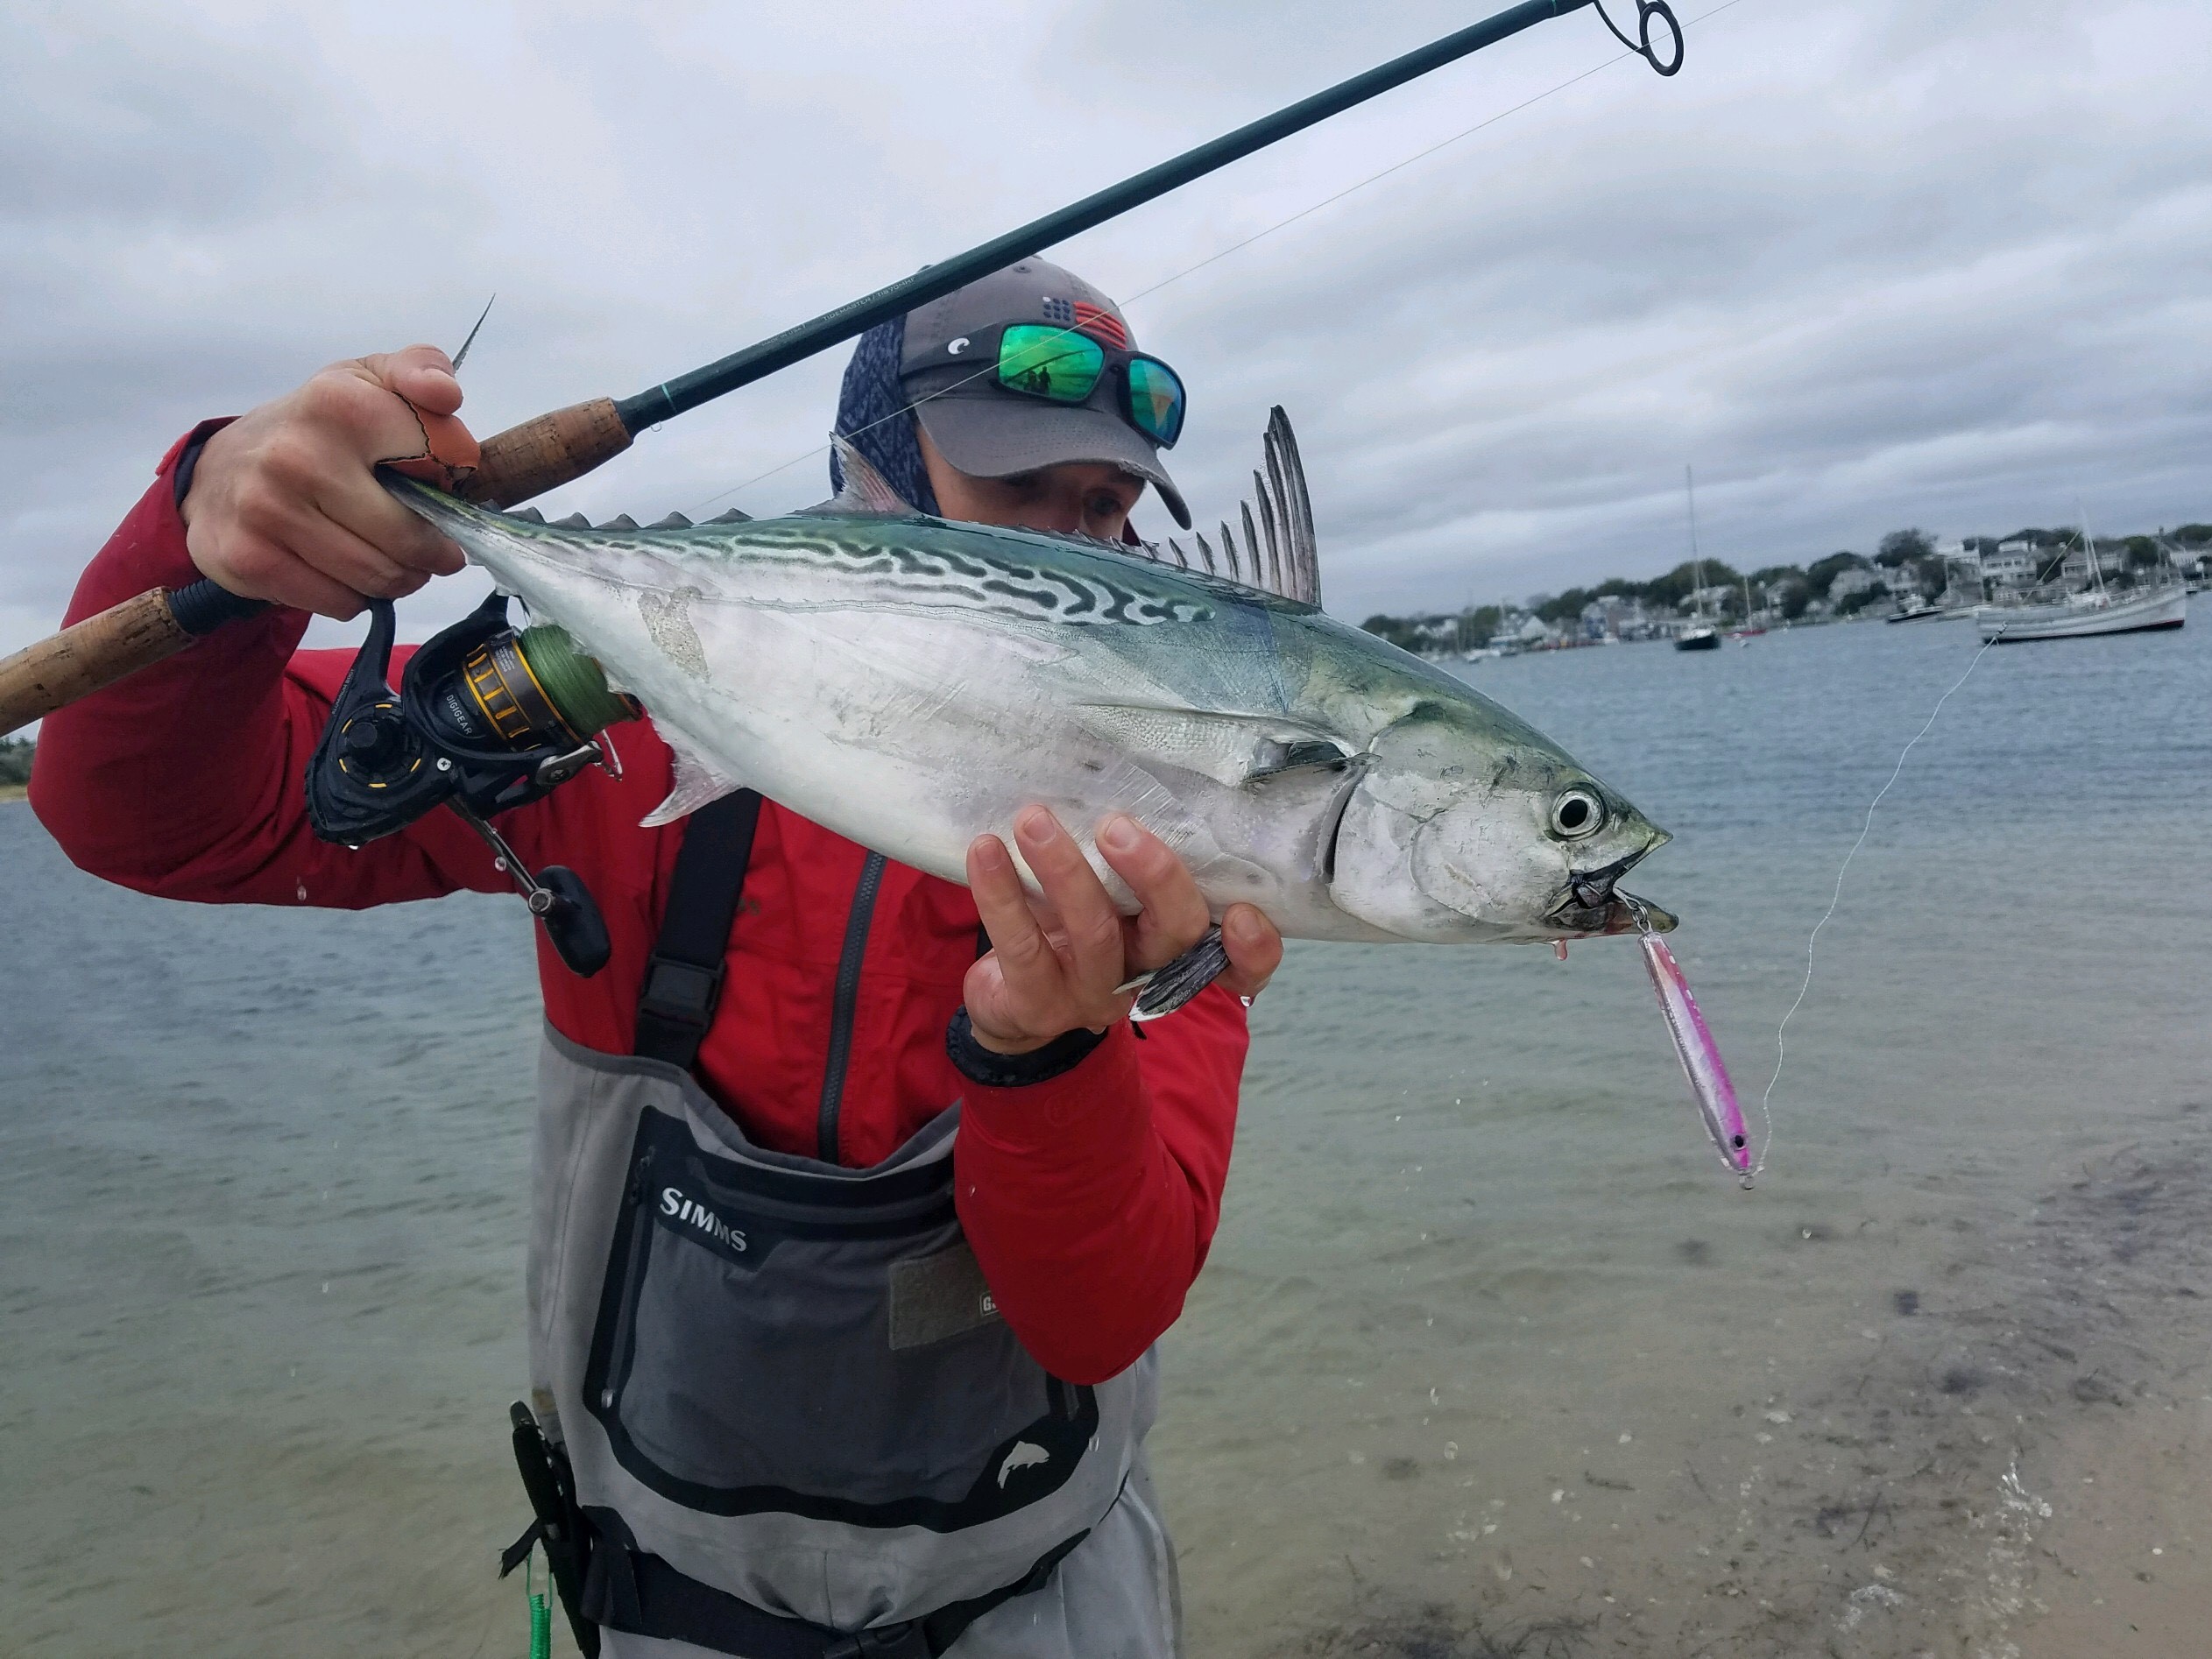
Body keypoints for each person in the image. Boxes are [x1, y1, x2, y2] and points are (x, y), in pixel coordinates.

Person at [32, 258, 1281, 1659]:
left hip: (1042, 1604)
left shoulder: (1172, 869)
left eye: (1102, 509)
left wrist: (1047, 1054)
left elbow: (1097, 1312)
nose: (1071, 549)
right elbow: (157, 820)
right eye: (1018, 489)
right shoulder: (619, 730)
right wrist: (214, 536)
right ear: (868, 479)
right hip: (659, 1610)